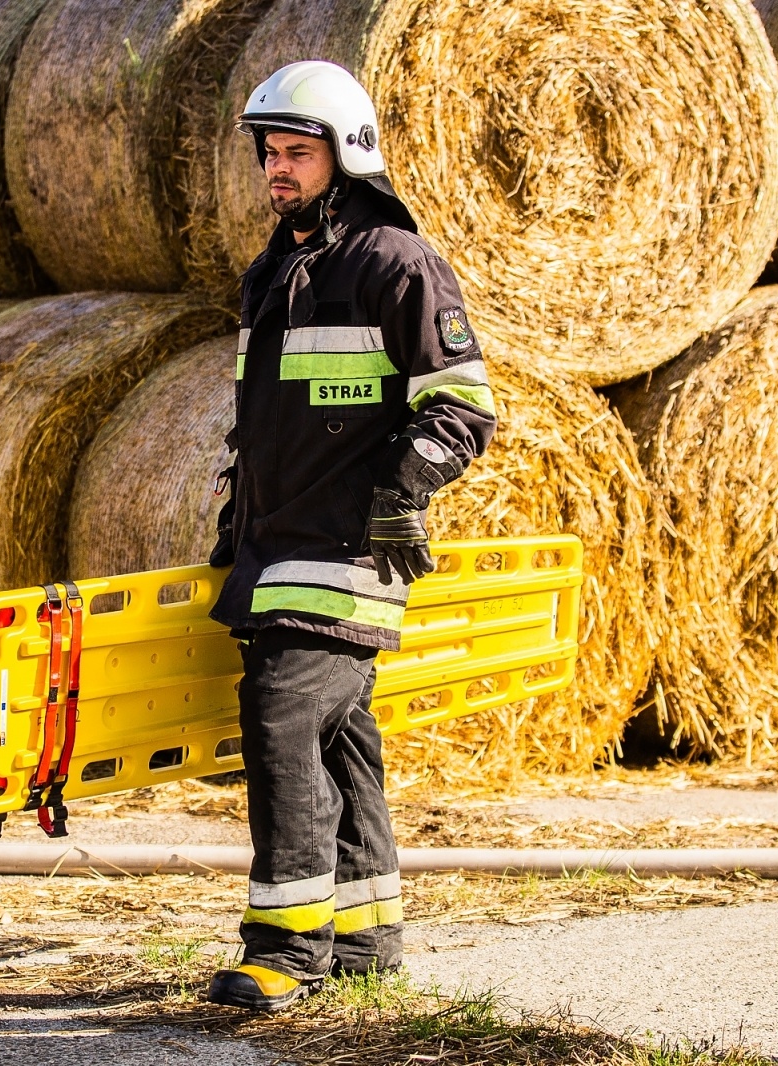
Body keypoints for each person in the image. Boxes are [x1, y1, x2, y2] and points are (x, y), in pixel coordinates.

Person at [204, 60, 497, 1011]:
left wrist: (404, 491)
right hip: (273, 546)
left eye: (297, 153)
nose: (278, 171)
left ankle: (286, 948)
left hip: (350, 550)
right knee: (337, 738)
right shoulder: (273, 273)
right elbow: (260, 424)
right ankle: (367, 936)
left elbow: (460, 404)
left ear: (347, 156)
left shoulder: (398, 265)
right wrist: (230, 529)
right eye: (270, 154)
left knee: (282, 717)